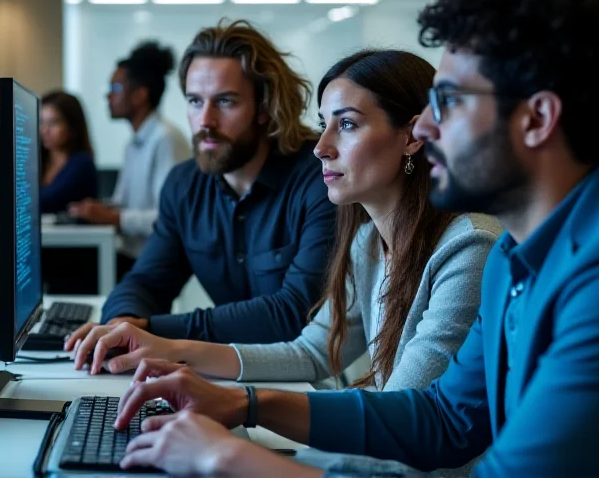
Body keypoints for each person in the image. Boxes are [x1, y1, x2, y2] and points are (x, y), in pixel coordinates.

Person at [105, 0, 599, 477]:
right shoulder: (518, 255)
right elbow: (444, 420)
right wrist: (245, 404)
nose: (425, 125)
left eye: (448, 102)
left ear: (536, 119)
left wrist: (226, 456)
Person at [81, 50, 501, 420]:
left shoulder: (468, 249)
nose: (321, 146)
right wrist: (169, 349)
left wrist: (243, 410)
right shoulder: (368, 243)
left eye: (348, 125)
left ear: (411, 136)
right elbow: (311, 352)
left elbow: (404, 419)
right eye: (323, 125)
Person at [64, 19, 336, 353]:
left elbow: (294, 312)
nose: (205, 121)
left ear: (264, 107)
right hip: (222, 372)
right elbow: (147, 281)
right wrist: (122, 322)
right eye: (195, 101)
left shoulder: (319, 178)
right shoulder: (184, 185)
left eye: (225, 102)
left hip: (308, 382)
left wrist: (152, 330)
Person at [67, 42, 191, 278]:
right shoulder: (133, 143)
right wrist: (96, 209)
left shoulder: (166, 139)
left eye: (115, 87)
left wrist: (111, 217)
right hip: (131, 254)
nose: (108, 95)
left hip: (155, 262)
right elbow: (123, 203)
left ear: (140, 95)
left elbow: (167, 217)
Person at [39, 90, 99, 213]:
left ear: (72, 127)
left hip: (70, 232)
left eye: (53, 123)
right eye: (41, 122)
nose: (44, 130)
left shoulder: (81, 163)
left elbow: (46, 201)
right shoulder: (38, 161)